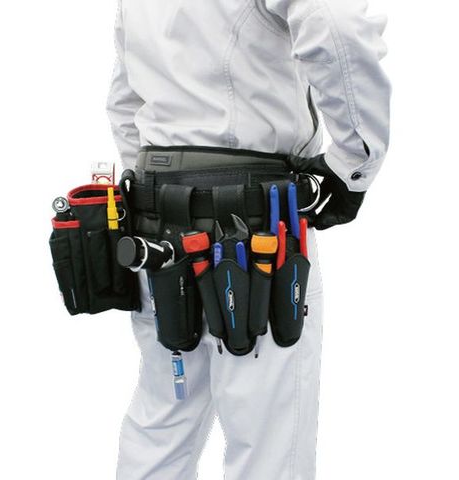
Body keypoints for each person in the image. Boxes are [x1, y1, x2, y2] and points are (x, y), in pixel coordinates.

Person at [106, 0, 390, 478]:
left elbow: (125, 101)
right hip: (255, 225)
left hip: (156, 223)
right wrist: (353, 165)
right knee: (268, 443)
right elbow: (336, 23)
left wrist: (160, 195)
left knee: (163, 421)